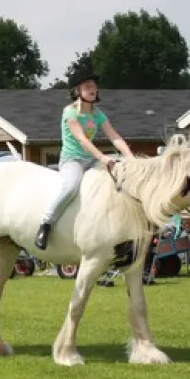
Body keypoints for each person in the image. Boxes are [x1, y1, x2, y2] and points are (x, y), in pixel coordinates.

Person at [36, 69, 134, 250]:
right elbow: (82, 139)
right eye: (88, 86)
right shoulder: (70, 113)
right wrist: (101, 156)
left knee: (119, 179)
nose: (93, 89)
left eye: (94, 86)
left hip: (91, 160)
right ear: (76, 91)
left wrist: (130, 157)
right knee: (71, 186)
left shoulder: (98, 114)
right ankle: (46, 224)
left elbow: (114, 137)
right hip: (72, 160)